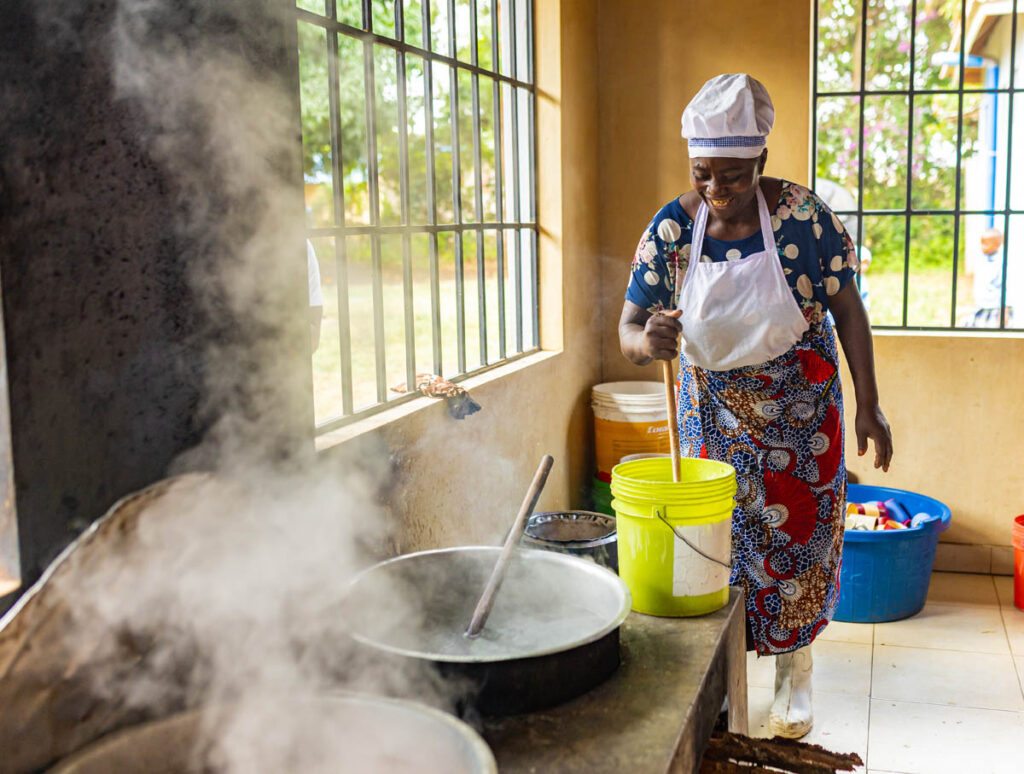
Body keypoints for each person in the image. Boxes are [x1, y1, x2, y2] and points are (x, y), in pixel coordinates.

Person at [618, 74, 893, 739]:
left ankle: (794, 671)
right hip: (709, 414)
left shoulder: (805, 219)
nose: (716, 190)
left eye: (733, 176)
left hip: (801, 412)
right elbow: (628, 333)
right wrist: (643, 338)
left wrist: (870, 405)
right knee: (720, 553)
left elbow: (848, 308)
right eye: (703, 172)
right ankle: (722, 673)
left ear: (762, 163)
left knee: (796, 546)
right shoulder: (673, 230)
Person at [965, 227, 1012, 328]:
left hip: (996, 308)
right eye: (981, 243)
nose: (982, 246)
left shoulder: (1001, 262)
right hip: (981, 305)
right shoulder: (981, 258)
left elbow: (1006, 286)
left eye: (986, 244)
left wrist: (1005, 310)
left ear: (997, 245)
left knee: (993, 335)